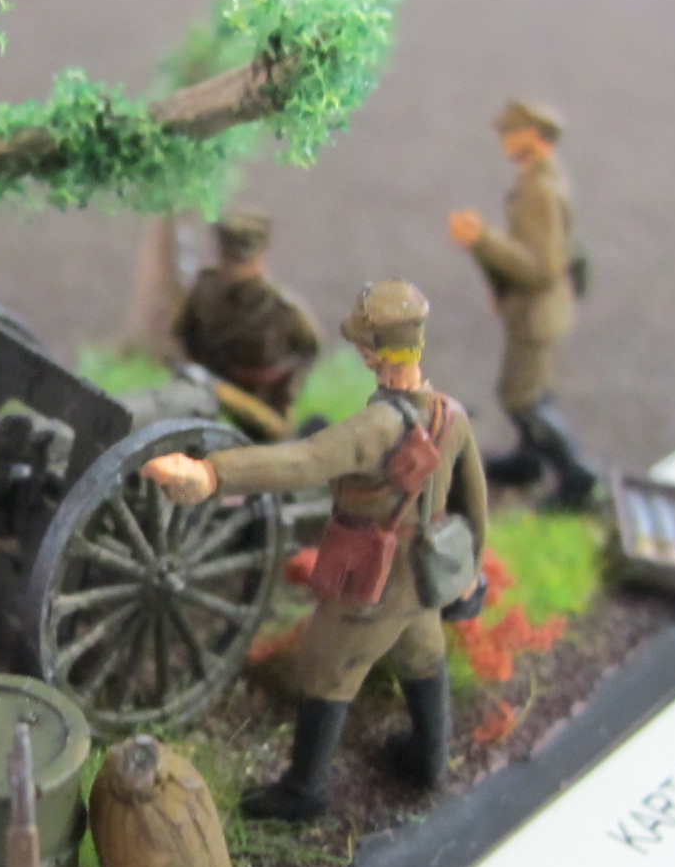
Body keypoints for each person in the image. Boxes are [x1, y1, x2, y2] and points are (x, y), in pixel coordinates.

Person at [143, 280, 487, 821]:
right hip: (426, 576)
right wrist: (470, 572)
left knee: (326, 668)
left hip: (371, 583)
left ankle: (306, 789)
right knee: (423, 653)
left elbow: (302, 461)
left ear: (374, 353)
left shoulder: (375, 429)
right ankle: (429, 759)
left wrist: (213, 474)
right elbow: (473, 504)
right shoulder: (452, 415)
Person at [448, 99, 600, 509]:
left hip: (537, 313)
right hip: (540, 310)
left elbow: (541, 267)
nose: (504, 141)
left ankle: (576, 475)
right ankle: (530, 461)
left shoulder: (538, 190)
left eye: (510, 134)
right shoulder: (543, 177)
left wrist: (482, 239)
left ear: (531, 136)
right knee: (534, 392)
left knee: (521, 398)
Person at [173, 211, 321, 419]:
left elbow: (309, 348)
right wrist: (191, 372)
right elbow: (181, 333)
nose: (234, 270)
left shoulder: (281, 308)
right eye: (229, 260)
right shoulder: (204, 291)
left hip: (259, 404)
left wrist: (286, 392)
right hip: (205, 394)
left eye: (240, 262)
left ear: (258, 260)